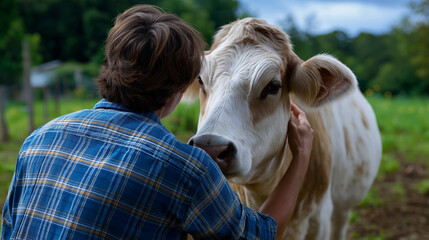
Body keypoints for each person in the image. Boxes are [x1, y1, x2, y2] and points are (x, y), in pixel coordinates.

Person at [1, 5, 313, 240]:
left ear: (108, 62)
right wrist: (300, 158)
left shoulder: (38, 140)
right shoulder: (186, 170)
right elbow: (258, 234)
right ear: (181, 89)